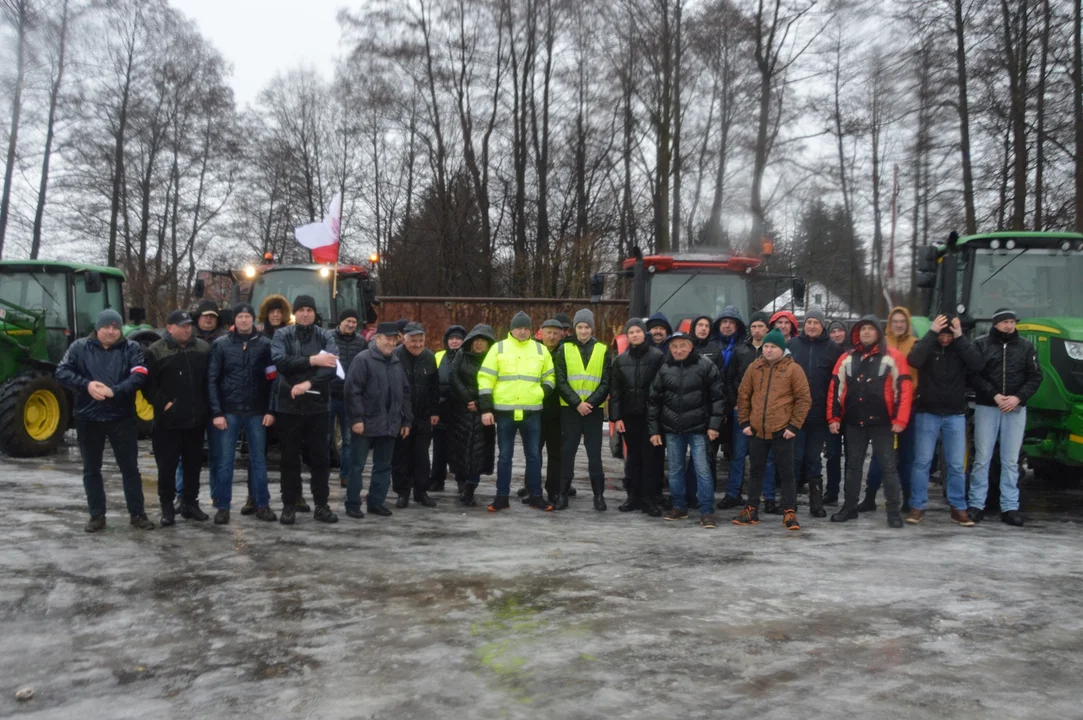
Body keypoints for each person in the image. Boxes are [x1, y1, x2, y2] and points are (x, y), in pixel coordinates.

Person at [56, 309, 155, 532]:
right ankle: (97, 515)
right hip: (88, 418)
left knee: (130, 468)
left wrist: (115, 391)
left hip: (121, 418)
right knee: (91, 469)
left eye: (115, 327)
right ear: (97, 328)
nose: (111, 331)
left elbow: (139, 374)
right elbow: (61, 371)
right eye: (106, 327)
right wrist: (87, 385)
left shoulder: (132, 348)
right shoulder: (79, 348)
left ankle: (138, 514)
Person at [827, 316, 913, 528]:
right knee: (853, 466)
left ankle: (893, 512)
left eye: (870, 329)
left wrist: (900, 419)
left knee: (888, 467)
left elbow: (904, 389)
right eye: (862, 329)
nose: (866, 332)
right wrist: (834, 417)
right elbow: (835, 389)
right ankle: (849, 507)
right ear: (857, 333)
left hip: (883, 423)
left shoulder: (893, 357)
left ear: (878, 332)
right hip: (855, 422)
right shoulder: (847, 358)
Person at [905, 315, 984, 526]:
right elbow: (913, 359)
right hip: (927, 413)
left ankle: (958, 507)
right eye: (943, 334)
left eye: (949, 335)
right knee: (922, 462)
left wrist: (961, 338)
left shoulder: (960, 349)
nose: (946, 339)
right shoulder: (928, 347)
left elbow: (977, 364)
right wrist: (931, 333)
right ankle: (917, 506)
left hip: (955, 414)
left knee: (957, 464)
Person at [967, 308, 1043, 526]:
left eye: (1012, 322)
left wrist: (1018, 398)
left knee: (1011, 461)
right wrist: (994, 395)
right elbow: (974, 375)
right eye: (1005, 322)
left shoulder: (1026, 347)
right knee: (982, 458)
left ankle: (1009, 507)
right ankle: (976, 504)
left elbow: (1035, 376)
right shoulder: (981, 345)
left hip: (1015, 409)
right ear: (995, 324)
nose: (1009, 326)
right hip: (987, 407)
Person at [270, 294, 340, 525]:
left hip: (318, 406)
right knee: (289, 459)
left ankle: (321, 504)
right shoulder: (282, 334)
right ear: (295, 313)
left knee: (320, 459)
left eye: (309, 309)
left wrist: (308, 383)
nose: (305, 313)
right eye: (301, 309)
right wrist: (312, 361)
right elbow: (280, 361)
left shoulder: (325, 335)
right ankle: (289, 504)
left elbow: (331, 366)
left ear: (314, 313)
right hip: (288, 405)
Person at [733, 329, 811, 530]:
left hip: (782, 430)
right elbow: (743, 395)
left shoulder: (793, 369)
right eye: (766, 346)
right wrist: (744, 422)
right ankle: (751, 509)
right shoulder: (754, 367)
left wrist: (794, 425)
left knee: (786, 473)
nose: (768, 350)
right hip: (757, 430)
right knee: (756, 471)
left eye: (773, 347)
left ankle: (789, 511)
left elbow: (803, 399)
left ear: (781, 348)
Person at [477, 311, 556, 512]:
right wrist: (486, 408)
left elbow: (550, 378)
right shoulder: (498, 348)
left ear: (531, 329)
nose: (522, 331)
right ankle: (501, 497)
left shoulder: (540, 350)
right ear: (511, 329)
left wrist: (539, 393)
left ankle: (536, 496)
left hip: (532, 411)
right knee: (504, 456)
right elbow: (485, 379)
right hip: (505, 412)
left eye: (526, 327)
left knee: (534, 456)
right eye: (519, 327)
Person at [206, 303, 277, 524]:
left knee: (258, 461)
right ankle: (223, 507)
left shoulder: (265, 345)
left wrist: (270, 410)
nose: (244, 320)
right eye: (240, 317)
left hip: (257, 412)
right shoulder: (221, 345)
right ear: (234, 321)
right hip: (229, 411)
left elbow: (273, 381)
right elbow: (212, 379)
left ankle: (262, 504)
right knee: (225, 461)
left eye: (248, 316)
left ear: (254, 320)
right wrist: (216, 412)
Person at [648, 331, 725, 528]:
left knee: (702, 470)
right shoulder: (664, 369)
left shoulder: (706, 366)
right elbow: (654, 402)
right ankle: (679, 506)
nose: (679, 350)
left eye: (683, 345)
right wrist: (654, 430)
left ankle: (707, 511)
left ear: (690, 346)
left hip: (699, 429)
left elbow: (718, 397)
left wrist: (714, 426)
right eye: (674, 346)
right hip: (672, 430)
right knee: (675, 470)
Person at [145, 310, 211, 526]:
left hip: (195, 419)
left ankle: (190, 503)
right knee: (167, 466)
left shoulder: (202, 348)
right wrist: (165, 404)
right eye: (182, 325)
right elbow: (148, 385)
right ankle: (167, 507)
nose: (187, 329)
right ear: (170, 327)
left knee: (193, 465)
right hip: (168, 422)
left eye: (189, 325)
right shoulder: (155, 351)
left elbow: (210, 380)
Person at [344, 322, 411, 519]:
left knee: (383, 466)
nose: (391, 342)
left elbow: (405, 393)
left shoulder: (396, 362)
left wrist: (406, 420)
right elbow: (352, 390)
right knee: (357, 465)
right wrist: (356, 419)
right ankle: (353, 503)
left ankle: (376, 502)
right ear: (377, 338)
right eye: (387, 338)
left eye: (394, 338)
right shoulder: (363, 359)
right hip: (365, 423)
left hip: (390, 423)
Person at [860, 306, 918, 512]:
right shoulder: (882, 345)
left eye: (903, 321)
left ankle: (908, 498)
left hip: (909, 407)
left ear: (908, 323)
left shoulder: (915, 344)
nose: (899, 325)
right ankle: (870, 497)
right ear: (889, 325)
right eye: (895, 321)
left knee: (907, 456)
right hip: (883, 408)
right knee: (880, 456)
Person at [719, 311, 778, 512]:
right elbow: (729, 379)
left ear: (767, 329)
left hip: (765, 413)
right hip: (742, 411)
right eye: (754, 326)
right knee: (738, 454)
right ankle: (732, 493)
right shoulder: (739, 350)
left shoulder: (772, 351)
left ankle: (769, 497)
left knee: (766, 457)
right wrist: (735, 403)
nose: (757, 330)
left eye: (761, 326)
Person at [786, 309, 843, 518]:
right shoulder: (792, 346)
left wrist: (833, 414)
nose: (811, 326)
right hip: (795, 414)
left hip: (819, 415)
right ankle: (789, 502)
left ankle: (816, 503)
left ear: (822, 326)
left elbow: (837, 383)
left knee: (813, 458)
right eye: (808, 322)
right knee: (794, 458)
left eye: (816, 323)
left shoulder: (832, 348)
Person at [554, 309, 612, 511]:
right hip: (570, 410)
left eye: (587, 327)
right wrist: (576, 403)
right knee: (567, 452)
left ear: (592, 328)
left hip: (593, 411)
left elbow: (606, 382)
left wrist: (591, 403)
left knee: (594, 454)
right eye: (580, 327)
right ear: (574, 329)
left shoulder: (603, 350)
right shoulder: (564, 349)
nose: (584, 331)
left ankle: (598, 496)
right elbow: (560, 380)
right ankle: (562, 494)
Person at [609, 318, 665, 516]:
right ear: (627, 335)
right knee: (632, 458)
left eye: (638, 331)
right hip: (630, 417)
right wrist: (617, 418)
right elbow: (615, 393)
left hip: (651, 418)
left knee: (651, 459)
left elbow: (662, 389)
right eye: (631, 332)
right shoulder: (620, 361)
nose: (635, 335)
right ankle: (632, 496)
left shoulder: (658, 357)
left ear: (644, 334)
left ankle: (649, 499)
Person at [392, 322, 440, 508]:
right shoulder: (395, 356)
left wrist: (435, 410)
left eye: (421, 341)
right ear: (404, 340)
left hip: (423, 416)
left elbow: (434, 386)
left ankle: (421, 492)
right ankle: (402, 492)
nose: (417, 345)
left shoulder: (429, 357)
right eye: (413, 341)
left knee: (421, 457)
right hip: (401, 416)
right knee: (401, 456)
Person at [449, 324, 498, 506]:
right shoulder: (462, 354)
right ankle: (461, 483)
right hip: (461, 409)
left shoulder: (493, 359)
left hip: (483, 409)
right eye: (476, 340)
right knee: (459, 448)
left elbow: (497, 382)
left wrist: (479, 403)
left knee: (479, 452)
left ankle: (471, 487)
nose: (478, 344)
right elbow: (454, 376)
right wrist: (467, 399)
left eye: (482, 341)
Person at [329, 308, 369, 489]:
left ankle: (346, 476)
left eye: (354, 322)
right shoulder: (329, 337)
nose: (351, 325)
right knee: (325, 438)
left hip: (349, 398)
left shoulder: (361, 342)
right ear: (340, 322)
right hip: (328, 395)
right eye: (348, 321)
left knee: (348, 440)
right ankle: (322, 473)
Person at [431, 325, 466, 492]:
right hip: (441, 409)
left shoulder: (467, 357)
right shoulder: (438, 356)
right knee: (439, 447)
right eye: (451, 338)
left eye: (458, 338)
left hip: (460, 410)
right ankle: (437, 479)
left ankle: (462, 481)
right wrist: (434, 409)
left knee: (460, 447)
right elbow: (432, 383)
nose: (454, 341)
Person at [538, 319, 565, 504]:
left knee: (555, 454)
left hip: (558, 412)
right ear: (541, 333)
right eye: (549, 332)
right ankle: (532, 488)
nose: (552, 336)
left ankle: (553, 490)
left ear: (561, 335)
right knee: (534, 453)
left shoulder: (565, 353)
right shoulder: (534, 351)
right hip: (536, 411)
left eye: (556, 333)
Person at [824, 319, 849, 505]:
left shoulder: (853, 352)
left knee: (852, 455)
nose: (837, 334)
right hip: (831, 408)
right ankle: (831, 491)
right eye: (833, 332)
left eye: (840, 331)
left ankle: (850, 491)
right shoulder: (827, 350)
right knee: (832, 453)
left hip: (851, 410)